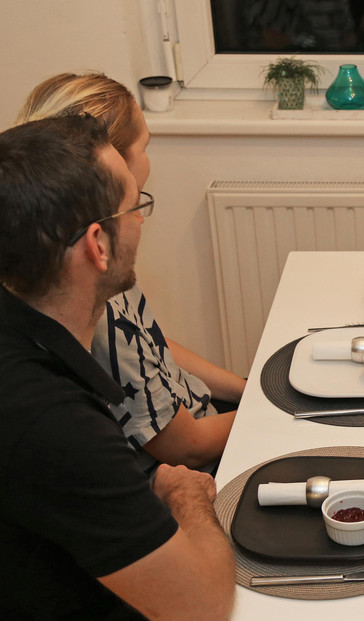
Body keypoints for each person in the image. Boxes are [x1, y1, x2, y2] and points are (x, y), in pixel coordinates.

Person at [0, 115, 235, 619]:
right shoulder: (55, 424)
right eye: (135, 208)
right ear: (98, 245)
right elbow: (204, 605)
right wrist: (185, 495)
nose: (142, 222)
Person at [17, 73, 245, 475]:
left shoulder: (101, 252)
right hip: (186, 468)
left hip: (198, 412)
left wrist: (251, 391)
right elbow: (188, 448)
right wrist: (271, 412)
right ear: (113, 162)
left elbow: (150, 343)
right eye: (145, 147)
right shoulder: (87, 294)